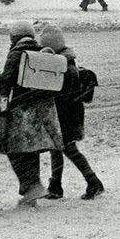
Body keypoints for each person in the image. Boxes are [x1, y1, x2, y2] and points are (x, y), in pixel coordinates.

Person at [0, 19, 63, 208]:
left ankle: (31, 186)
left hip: (22, 108)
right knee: (32, 149)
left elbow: (5, 83)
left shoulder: (16, 53)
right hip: (42, 109)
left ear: (13, 37)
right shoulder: (41, 51)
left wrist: (2, 108)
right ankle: (32, 187)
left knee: (13, 148)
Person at [39, 24, 104, 200]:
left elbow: (62, 96)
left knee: (68, 148)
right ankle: (56, 185)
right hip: (68, 114)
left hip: (66, 116)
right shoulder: (64, 62)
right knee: (57, 148)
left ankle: (93, 182)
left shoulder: (65, 67)